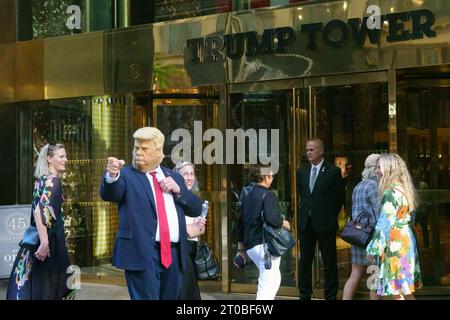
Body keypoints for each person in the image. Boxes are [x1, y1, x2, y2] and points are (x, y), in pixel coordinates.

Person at [99, 127, 203, 300]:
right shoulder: (125, 175)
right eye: (136, 148)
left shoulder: (174, 177)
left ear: (158, 152)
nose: (138, 153)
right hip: (142, 253)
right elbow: (110, 193)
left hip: (174, 254)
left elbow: (196, 208)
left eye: (144, 149)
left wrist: (179, 190)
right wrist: (111, 175)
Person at [7, 143, 74, 300]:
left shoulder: (41, 180)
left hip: (34, 243)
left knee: (36, 288)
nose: (66, 159)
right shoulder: (54, 182)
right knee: (59, 288)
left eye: (66, 156)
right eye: (61, 156)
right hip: (49, 244)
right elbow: (39, 212)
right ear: (49, 159)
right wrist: (44, 244)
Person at [366, 153, 423, 300]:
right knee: (402, 289)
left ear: (389, 169)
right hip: (404, 243)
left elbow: (384, 224)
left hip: (395, 247)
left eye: (379, 167)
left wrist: (373, 248)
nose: (376, 171)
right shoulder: (402, 189)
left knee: (399, 289)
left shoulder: (391, 193)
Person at [296, 138, 345, 300]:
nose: (308, 152)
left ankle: (330, 295)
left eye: (311, 149)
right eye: (307, 150)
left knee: (329, 262)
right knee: (305, 261)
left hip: (325, 224)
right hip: (306, 223)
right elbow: (302, 194)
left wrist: (329, 214)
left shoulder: (332, 171)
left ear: (321, 151)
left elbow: (339, 198)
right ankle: (304, 294)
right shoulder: (302, 170)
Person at [236, 165, 290, 300]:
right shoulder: (268, 194)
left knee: (274, 278)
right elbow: (273, 219)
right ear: (266, 178)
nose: (272, 178)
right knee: (266, 285)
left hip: (251, 246)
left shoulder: (248, 195)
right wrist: (284, 222)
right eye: (271, 176)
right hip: (264, 245)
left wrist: (240, 248)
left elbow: (240, 222)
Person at [342, 154, 381, 300]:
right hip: (371, 238)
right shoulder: (374, 186)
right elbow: (378, 215)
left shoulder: (358, 185)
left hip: (358, 237)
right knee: (375, 278)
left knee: (354, 276)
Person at [173, 160, 206, 300]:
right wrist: (186, 230)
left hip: (192, 249)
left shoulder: (196, 200)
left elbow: (200, 230)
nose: (189, 177)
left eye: (191, 174)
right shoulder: (171, 198)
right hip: (178, 249)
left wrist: (199, 228)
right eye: (185, 174)